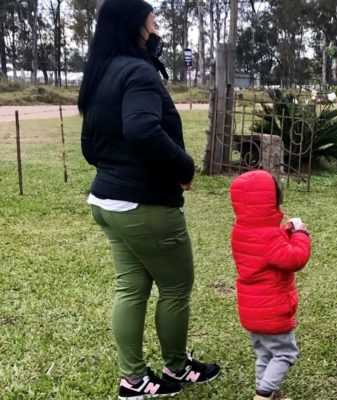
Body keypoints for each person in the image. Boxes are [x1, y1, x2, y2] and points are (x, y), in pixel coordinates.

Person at [78, 0, 220, 398]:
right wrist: (185, 167)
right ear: (137, 26)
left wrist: (114, 168)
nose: (157, 29)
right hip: (145, 204)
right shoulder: (139, 72)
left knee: (131, 288)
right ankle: (176, 369)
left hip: (107, 200)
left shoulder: (102, 72)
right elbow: (142, 130)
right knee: (175, 288)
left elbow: (91, 146)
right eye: (153, 21)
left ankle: (134, 380)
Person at [230, 171, 312, 400]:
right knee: (285, 353)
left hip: (251, 309)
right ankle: (263, 394)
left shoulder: (242, 230)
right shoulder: (269, 236)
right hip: (272, 309)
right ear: (273, 200)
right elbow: (294, 259)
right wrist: (301, 233)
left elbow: (266, 252)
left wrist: (285, 232)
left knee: (265, 354)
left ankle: (268, 392)